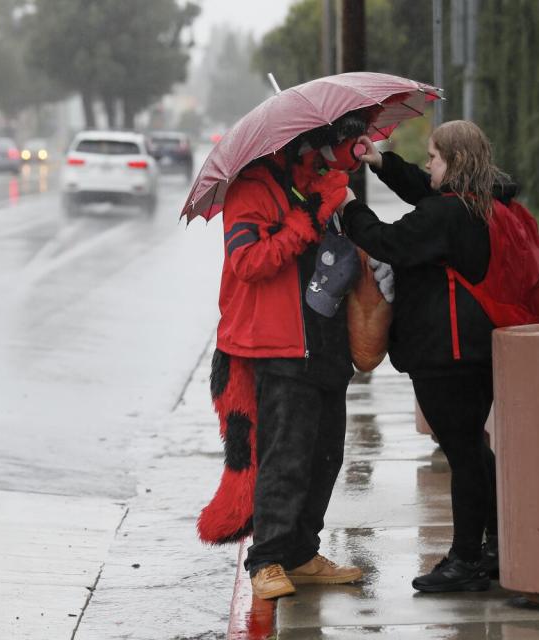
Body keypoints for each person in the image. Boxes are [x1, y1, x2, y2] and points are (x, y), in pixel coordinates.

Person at [199, 113, 375, 600]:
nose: (327, 151)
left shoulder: (319, 184)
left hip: (326, 340)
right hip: (276, 344)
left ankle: (301, 552)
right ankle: (267, 559)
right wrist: (304, 221)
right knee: (285, 457)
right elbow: (248, 262)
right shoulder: (251, 190)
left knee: (326, 455)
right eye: (320, 144)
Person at [339, 120, 511, 592]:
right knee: (473, 446)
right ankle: (495, 547)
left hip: (446, 352)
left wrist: (350, 207)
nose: (429, 164)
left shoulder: (446, 216)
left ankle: (465, 560)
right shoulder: (477, 202)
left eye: (434, 156)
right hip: (471, 348)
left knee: (464, 452)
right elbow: (426, 190)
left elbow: (390, 242)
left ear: (453, 163)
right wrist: (380, 162)